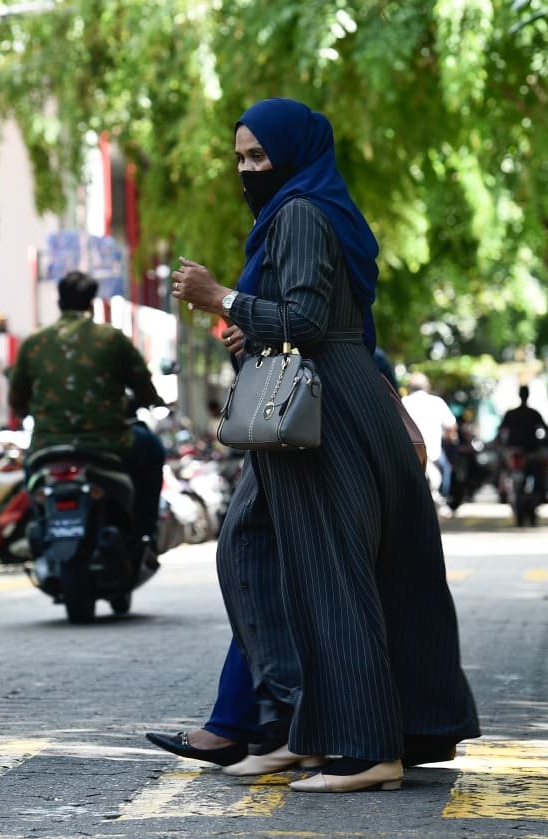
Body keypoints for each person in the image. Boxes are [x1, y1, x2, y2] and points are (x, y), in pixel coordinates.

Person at [170, 97, 479, 793]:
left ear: (294, 153)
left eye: (259, 156)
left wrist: (221, 297)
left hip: (321, 413)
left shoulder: (302, 213)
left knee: (332, 575)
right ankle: (295, 723)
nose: (247, 170)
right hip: (319, 402)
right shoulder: (307, 210)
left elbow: (308, 320)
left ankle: (366, 749)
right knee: (252, 550)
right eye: (240, 157)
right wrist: (250, 320)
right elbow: (313, 313)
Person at [8, 271, 166, 539]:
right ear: (92, 304)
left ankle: (41, 527)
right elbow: (144, 386)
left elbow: (16, 400)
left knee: (30, 468)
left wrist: (27, 409)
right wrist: (152, 400)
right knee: (152, 447)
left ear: (59, 303)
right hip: (110, 444)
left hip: (47, 446)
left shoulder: (34, 343)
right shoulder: (112, 339)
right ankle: (143, 533)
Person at [401, 372, 458, 500]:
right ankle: (443, 498)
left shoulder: (404, 402)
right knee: (446, 469)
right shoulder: (436, 402)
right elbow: (451, 425)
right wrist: (448, 436)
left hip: (410, 451)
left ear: (410, 387)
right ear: (427, 386)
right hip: (433, 451)